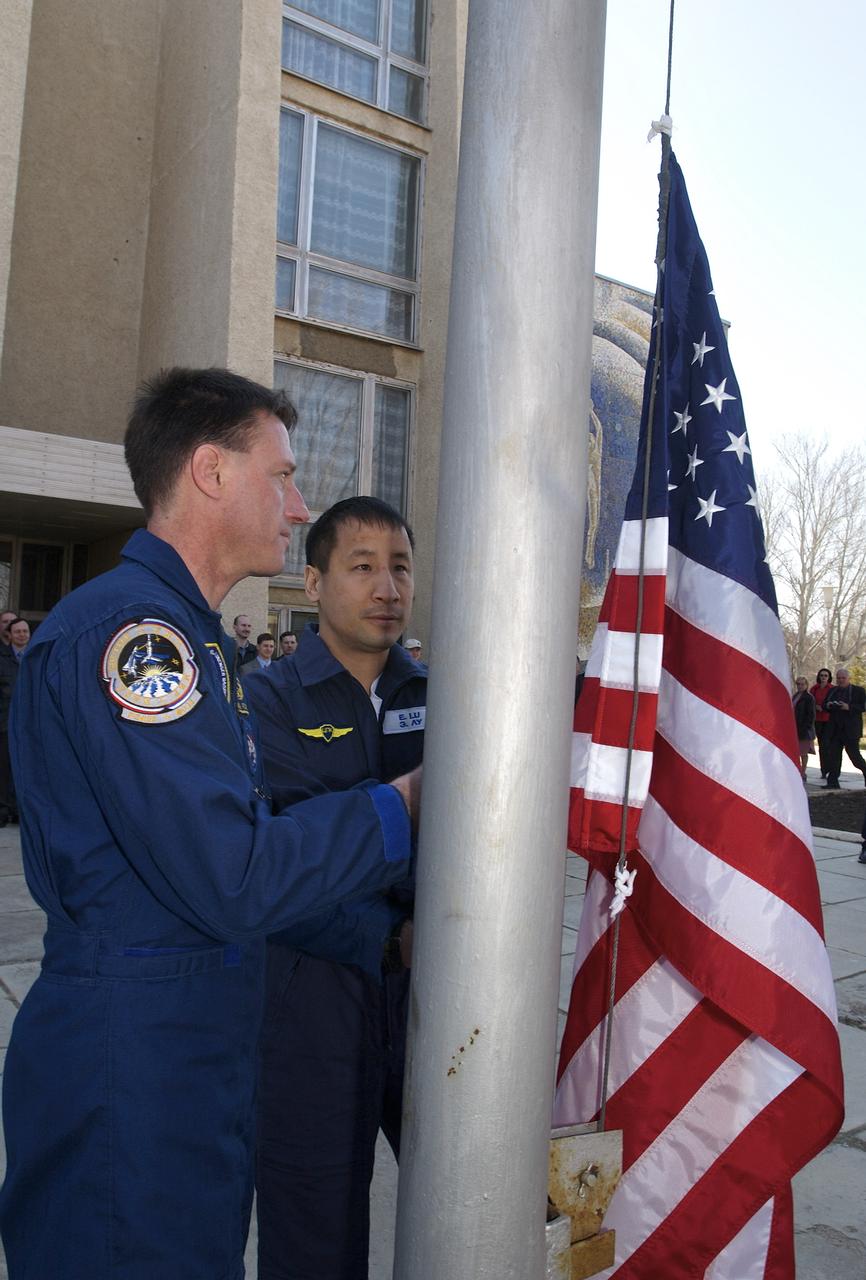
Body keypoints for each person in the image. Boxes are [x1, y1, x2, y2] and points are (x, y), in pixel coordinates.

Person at [0, 368, 422, 1280]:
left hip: (184, 1059)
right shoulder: (137, 641)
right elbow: (236, 872)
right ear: (209, 473)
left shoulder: (189, 640)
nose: (299, 502)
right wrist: (403, 805)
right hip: (135, 1070)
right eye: (281, 475)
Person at [244, 496, 427, 1280]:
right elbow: (280, 866)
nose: (387, 587)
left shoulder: (449, 700)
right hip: (309, 1007)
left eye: (400, 568)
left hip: (435, 1003)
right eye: (362, 567)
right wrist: (388, 935)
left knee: (477, 1200)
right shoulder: (268, 701)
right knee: (314, 1233)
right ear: (313, 582)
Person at [823, 667, 866, 790]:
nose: (841, 680)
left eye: (843, 678)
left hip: (851, 730)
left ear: (849, 678)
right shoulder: (833, 691)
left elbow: (863, 706)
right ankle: (832, 782)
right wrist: (829, 705)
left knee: (855, 757)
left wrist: (849, 707)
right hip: (835, 729)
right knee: (834, 756)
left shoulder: (858, 691)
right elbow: (825, 705)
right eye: (839, 678)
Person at [810, 667, 833, 778]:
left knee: (828, 745)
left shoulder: (832, 689)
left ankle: (830, 769)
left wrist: (823, 708)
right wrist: (815, 707)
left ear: (829, 677)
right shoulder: (814, 689)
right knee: (822, 746)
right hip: (818, 720)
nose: (823, 677)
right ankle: (824, 771)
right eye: (822, 675)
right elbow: (810, 702)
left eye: (826, 676)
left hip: (829, 720)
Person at [791, 676, 816, 782]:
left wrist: (806, 727)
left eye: (802, 684)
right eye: (798, 684)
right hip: (795, 727)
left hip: (804, 729)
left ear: (806, 685)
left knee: (803, 752)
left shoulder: (809, 698)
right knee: (796, 752)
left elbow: (811, 715)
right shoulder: (795, 696)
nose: (800, 686)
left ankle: (803, 772)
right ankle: (798, 771)